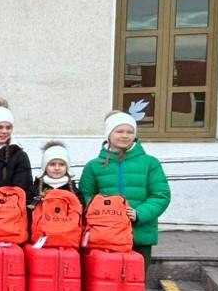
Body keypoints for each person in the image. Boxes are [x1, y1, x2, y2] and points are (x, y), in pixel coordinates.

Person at [79, 111, 171, 265]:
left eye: (130, 132)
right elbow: (85, 197)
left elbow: (161, 195)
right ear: (109, 134)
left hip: (139, 235)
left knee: (135, 278)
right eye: (119, 131)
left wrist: (139, 213)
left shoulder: (150, 163)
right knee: (104, 278)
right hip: (105, 235)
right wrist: (103, 214)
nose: (125, 135)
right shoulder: (93, 166)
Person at [32, 141, 83, 206]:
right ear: (45, 167)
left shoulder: (75, 192)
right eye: (52, 164)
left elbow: (80, 208)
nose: (57, 168)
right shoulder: (34, 191)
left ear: (67, 167)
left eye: (61, 164)